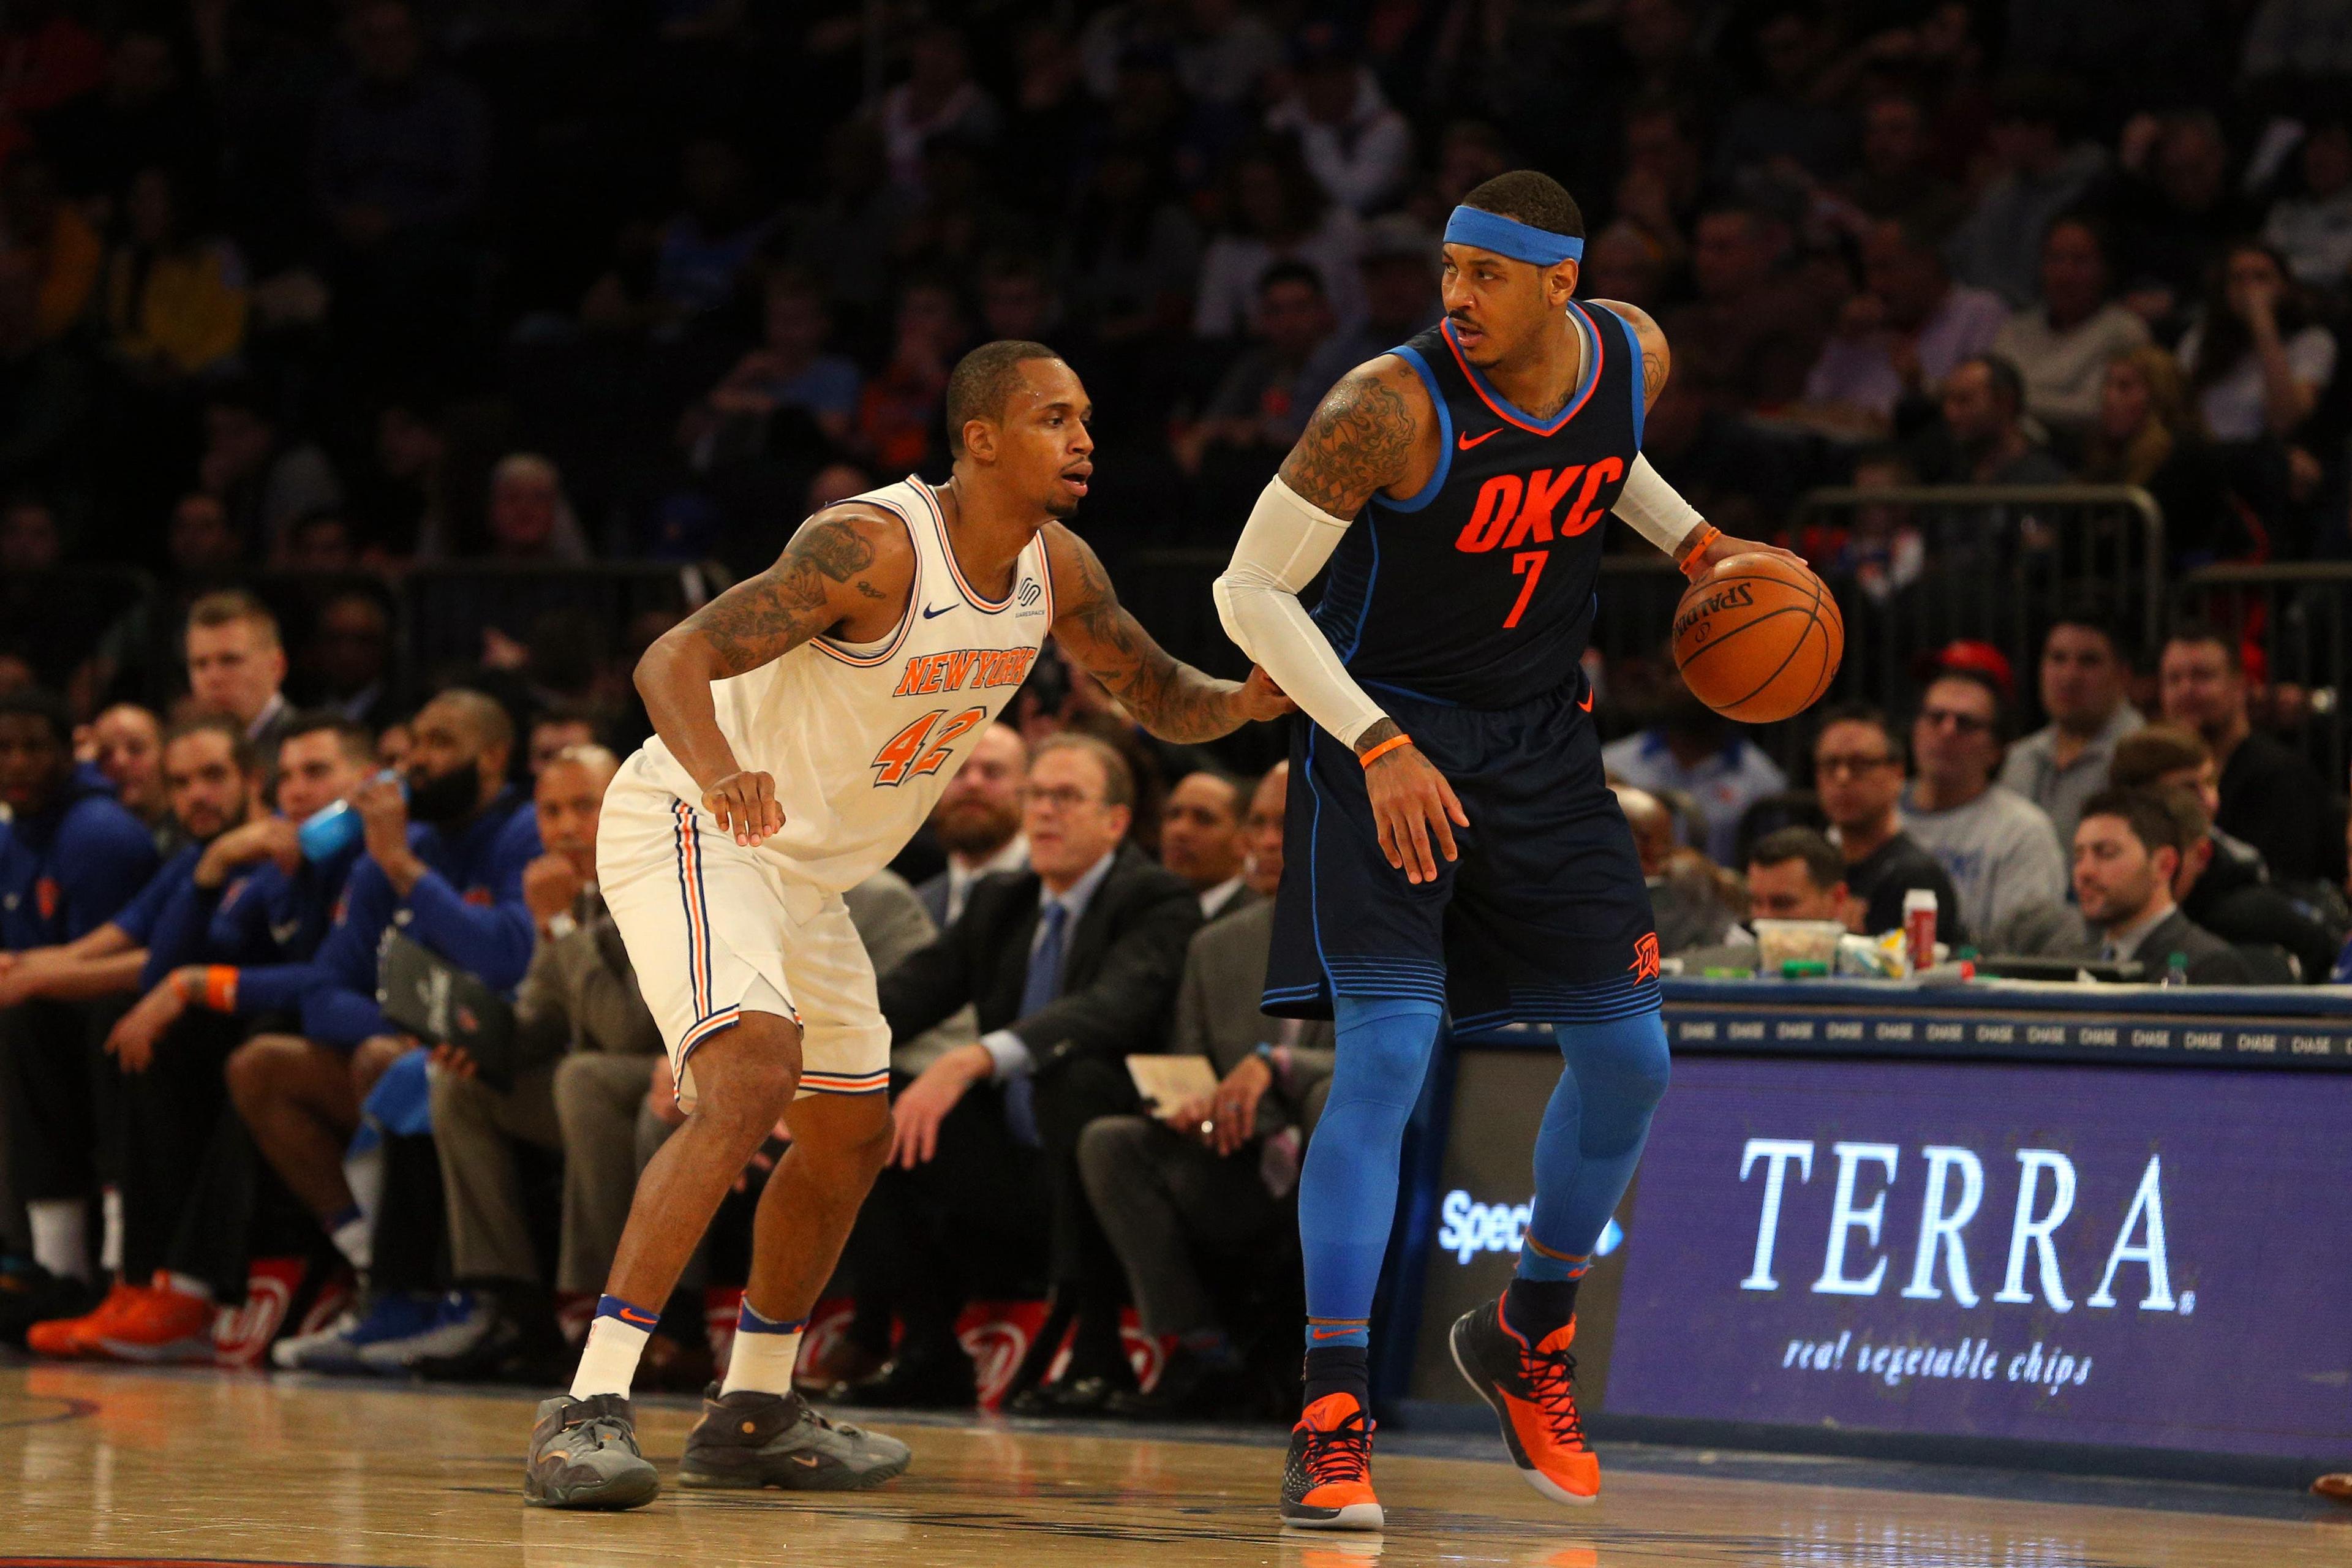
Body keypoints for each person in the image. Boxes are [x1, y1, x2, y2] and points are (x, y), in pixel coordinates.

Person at [526, 339, 1289, 1507]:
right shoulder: (870, 549)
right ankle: (590, 1403)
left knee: (850, 1134)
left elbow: (1154, 691)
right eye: (1053, 418)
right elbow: (672, 658)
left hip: (806, 872)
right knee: (751, 1077)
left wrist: (1245, 701)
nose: (1084, 439)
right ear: (980, 438)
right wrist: (725, 771)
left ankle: (755, 1409)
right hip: (695, 819)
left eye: (1086, 418)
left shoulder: (1058, 567)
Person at [1212, 170, 1793, 1523]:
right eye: (1447, 270)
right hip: (1390, 737)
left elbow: (1603, 459)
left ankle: (1525, 1329)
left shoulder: (1629, 355)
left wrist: (1700, 541)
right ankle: (1333, 1403)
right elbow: (1250, 590)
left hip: (1540, 743)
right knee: (1392, 1055)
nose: (1456, 296)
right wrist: (1370, 741)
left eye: (1487, 274)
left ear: (1560, 286)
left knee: (1631, 1059)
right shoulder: (1386, 407)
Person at [850, 734, 1200, 1413]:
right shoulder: (1002, 901)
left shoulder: (1156, 899)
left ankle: (1099, 1353)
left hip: (1121, 1161)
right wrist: (801, 1060)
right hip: (1016, 1165)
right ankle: (928, 1350)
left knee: (1076, 1080)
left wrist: (973, 1057)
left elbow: (1111, 1009)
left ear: (1116, 821)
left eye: (1066, 798)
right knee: (871, 1102)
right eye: (1037, 796)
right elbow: (900, 997)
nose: (1044, 813)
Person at [235, 690, 542, 1370]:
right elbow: (321, 992)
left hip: (518, 1050)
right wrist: (413, 1029)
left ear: (493, 756)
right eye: (413, 746)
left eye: (440, 743)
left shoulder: (522, 830)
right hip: (425, 1057)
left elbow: (508, 957)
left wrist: (406, 868)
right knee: (265, 1063)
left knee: (393, 1064)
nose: (419, 762)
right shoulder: (398, 844)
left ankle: (443, 1298)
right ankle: (379, 1276)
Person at [363, 744, 659, 1378]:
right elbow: (543, 1021)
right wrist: (472, 1038)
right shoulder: (573, 897)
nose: (568, 827)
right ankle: (514, 1309)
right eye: (551, 812)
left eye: (585, 805)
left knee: (584, 1079)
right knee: (459, 1083)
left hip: (672, 1086)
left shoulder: (659, 885)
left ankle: (607, 1312)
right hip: (601, 1090)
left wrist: (555, 927)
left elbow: (630, 1033)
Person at [1076, 770, 1336, 1420]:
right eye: (1261, 824)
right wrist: (1188, 1106)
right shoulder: (1216, 945)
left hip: (1339, 1156)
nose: (1272, 841)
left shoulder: (1389, 936)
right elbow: (1190, 1062)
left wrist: (1275, 1065)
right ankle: (1200, 1348)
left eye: (1291, 824)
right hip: (1241, 1158)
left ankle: (1318, 1356)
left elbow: (1403, 1060)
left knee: (1332, 1094)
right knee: (1112, 1141)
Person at [0, 688, 159, 1291]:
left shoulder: (99, 833)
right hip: (48, 1012)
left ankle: (71, 1263)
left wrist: (25, 974)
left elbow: (113, 963)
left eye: (33, 748)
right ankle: (42, 1257)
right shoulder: (12, 834)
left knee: (23, 1024)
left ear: (71, 752)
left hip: (104, 1024)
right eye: (4, 749)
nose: (16, 763)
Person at [2158, 623, 2342, 888]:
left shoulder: (2283, 779)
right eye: (2174, 679)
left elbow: (2279, 890)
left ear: (2241, 686)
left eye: (2202, 677)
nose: (2186, 690)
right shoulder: (2161, 777)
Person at [1900, 673, 2066, 951]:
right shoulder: (1876, 812)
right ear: (1915, 730)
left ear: (1996, 750)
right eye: (1935, 717)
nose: (1947, 731)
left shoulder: (2023, 831)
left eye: (1965, 723)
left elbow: (2025, 948)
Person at [1803, 217, 2007, 432]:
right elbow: (1815, 400)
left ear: (1926, 264)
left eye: (1886, 268)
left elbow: (1980, 410)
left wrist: (1918, 388)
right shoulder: (1863, 326)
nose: (1875, 284)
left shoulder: (1979, 312)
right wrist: (1840, 340)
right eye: (1870, 271)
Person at [2071, 788, 2258, 983]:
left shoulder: (2209, 966)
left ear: (2164, 865)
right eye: (2078, 857)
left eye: (2106, 853)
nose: (2085, 871)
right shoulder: (2074, 959)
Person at [1989, 216, 2150, 437]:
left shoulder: (2124, 332)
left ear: (2105, 269)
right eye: (2055, 259)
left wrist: (2012, 402)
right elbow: (1989, 391)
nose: (2065, 274)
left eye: (2080, 261)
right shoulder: (2016, 329)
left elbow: (2098, 408)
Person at [1999, 615, 2143, 848]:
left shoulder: (2144, 757)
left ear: (2123, 675)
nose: (2069, 676)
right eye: (2057, 658)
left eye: (2088, 662)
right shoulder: (2019, 757)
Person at [2174, 242, 2335, 447]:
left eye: (2262, 278)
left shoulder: (2311, 340)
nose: (2250, 288)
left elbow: (2284, 421)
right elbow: (2176, 407)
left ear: (2284, 286)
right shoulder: (2200, 336)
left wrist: (2262, 321)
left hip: (2263, 456)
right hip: (2204, 453)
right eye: (2238, 279)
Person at [1602, 693, 1787, 867]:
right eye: (1672, 672)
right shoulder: (1610, 764)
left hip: (1721, 894)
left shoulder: (1764, 781)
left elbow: (1771, 866)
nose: (1682, 683)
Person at [913, 721, 1028, 928]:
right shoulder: (915, 910)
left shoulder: (1054, 897)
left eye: (993, 772)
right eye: (958, 771)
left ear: (1027, 789)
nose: (972, 783)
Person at [1917, 354, 2070, 486]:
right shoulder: (1944, 474)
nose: (1950, 413)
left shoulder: (2044, 482)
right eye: (1947, 401)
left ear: (2005, 402)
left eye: (1964, 400)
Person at [184, 590, 292, 755]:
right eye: (200, 664)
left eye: (230, 660)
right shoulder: (185, 759)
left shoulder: (304, 753)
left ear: (276, 666)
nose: (214, 678)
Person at [1160, 770, 1255, 921]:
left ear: (1245, 840)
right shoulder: (1149, 910)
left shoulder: (1259, 922)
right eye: (1174, 814)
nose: (1180, 830)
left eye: (1204, 819)